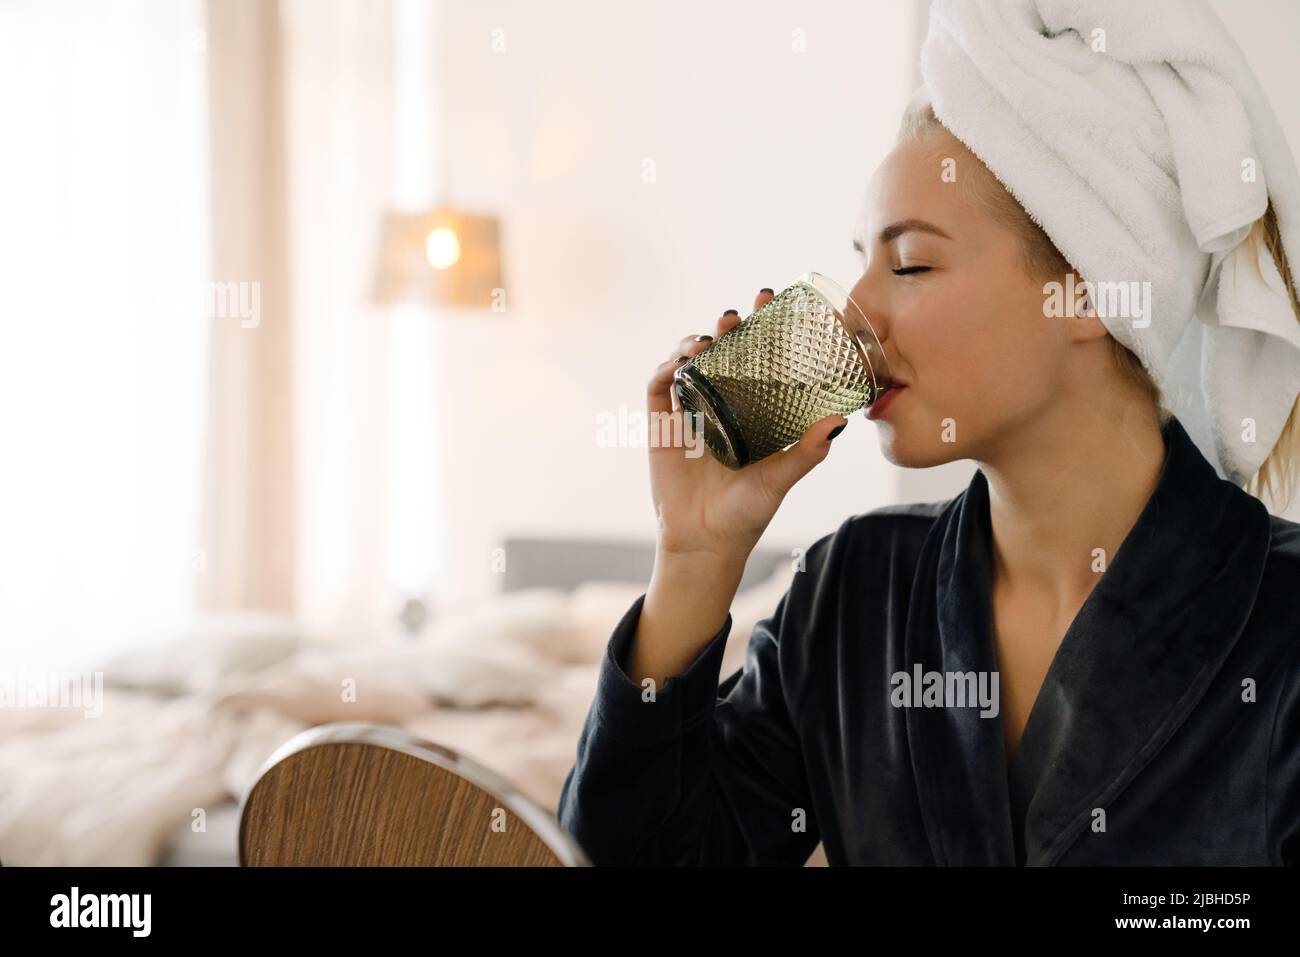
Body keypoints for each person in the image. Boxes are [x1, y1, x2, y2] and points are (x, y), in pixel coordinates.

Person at [556, 5, 1300, 866]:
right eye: (861, 259)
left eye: (909, 263)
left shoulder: (1278, 623)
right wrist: (692, 560)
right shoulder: (852, 593)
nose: (857, 309)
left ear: (1093, 293)